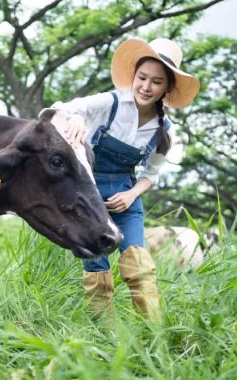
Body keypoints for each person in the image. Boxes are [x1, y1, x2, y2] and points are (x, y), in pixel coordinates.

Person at [46, 38, 200, 323]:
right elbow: (60, 108)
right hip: (89, 196)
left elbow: (150, 175)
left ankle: (153, 334)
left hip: (126, 197)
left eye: (156, 81)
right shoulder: (111, 102)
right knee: (97, 268)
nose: (146, 86)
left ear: (167, 88)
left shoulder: (164, 129)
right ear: (134, 76)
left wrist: (131, 195)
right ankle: (102, 333)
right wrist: (75, 119)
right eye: (142, 78)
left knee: (139, 265)